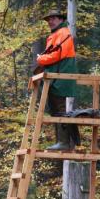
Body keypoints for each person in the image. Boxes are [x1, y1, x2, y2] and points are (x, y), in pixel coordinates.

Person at [36, 9, 80, 150]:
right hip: (56, 74)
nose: (50, 21)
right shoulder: (56, 34)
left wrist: (41, 59)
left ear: (61, 19)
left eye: (53, 18)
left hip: (61, 74)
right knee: (56, 109)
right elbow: (54, 53)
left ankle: (64, 142)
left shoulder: (63, 33)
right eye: (49, 19)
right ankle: (63, 142)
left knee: (60, 109)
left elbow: (58, 54)